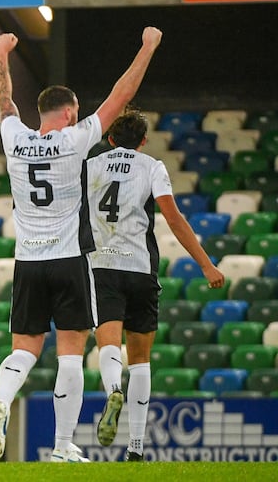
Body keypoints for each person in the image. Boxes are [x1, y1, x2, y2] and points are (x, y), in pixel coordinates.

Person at [0, 27, 163, 463]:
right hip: (69, 260)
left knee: (23, 350)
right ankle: (63, 446)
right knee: (70, 352)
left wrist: (0, 54)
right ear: (68, 113)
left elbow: (5, 102)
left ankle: (1, 401)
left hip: (27, 260)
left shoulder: (15, 138)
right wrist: (147, 48)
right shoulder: (74, 140)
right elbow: (121, 96)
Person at [86, 111, 224, 460]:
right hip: (140, 268)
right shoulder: (152, 167)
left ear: (111, 139)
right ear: (143, 140)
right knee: (142, 359)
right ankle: (135, 448)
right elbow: (173, 219)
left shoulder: (92, 166)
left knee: (108, 343)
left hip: (102, 265)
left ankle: (113, 388)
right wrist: (206, 265)